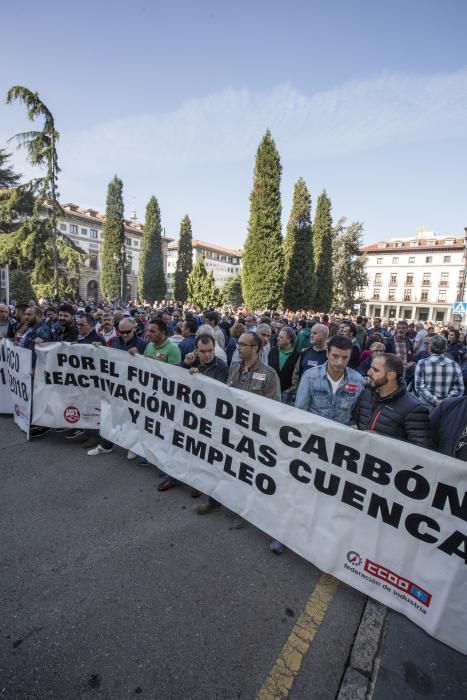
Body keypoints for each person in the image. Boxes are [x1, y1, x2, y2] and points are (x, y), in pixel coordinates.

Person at [226, 331, 281, 533]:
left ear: (255, 348)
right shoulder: (233, 368)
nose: (238, 347)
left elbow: (274, 408)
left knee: (248, 473)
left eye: (243, 344)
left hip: (254, 434)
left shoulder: (269, 374)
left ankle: (244, 510)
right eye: (238, 343)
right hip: (233, 429)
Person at [352, 354, 433, 447]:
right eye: (370, 368)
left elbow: (422, 447)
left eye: (375, 370)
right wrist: (352, 425)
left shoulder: (414, 408)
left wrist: (383, 440)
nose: (369, 372)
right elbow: (355, 418)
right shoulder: (366, 393)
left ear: (391, 375)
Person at [295, 335, 364, 425]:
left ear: (350, 356)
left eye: (345, 357)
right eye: (335, 356)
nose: (340, 362)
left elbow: (357, 413)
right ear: (327, 353)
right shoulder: (310, 376)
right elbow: (300, 410)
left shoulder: (358, 380)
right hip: (314, 432)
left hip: (341, 435)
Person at [414, 335, 464, 412]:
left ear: (430, 348)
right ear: (445, 348)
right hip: (447, 408)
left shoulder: (422, 363)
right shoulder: (454, 364)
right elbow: (459, 389)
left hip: (426, 407)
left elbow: (419, 387)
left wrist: (435, 401)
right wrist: (445, 401)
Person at [268, 327, 299, 404]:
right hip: (271, 391)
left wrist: (290, 390)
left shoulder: (298, 355)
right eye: (278, 336)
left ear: (289, 340)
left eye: (281, 337)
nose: (277, 338)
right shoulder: (273, 351)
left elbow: (298, 374)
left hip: (287, 394)